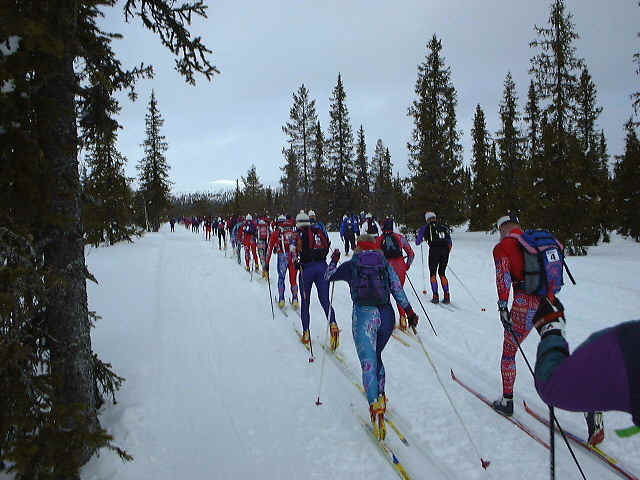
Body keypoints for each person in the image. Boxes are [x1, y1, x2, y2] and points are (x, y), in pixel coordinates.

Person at [325, 234, 419, 440]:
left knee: (368, 362)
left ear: (358, 247)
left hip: (364, 316)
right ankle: (382, 396)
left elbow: (328, 277)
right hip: (386, 316)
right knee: (377, 357)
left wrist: (333, 259)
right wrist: (410, 313)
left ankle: (375, 406)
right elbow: (397, 289)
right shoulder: (384, 264)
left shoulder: (352, 264)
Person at [534, 316, 639, 445]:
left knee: (552, 386)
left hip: (619, 348)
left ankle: (507, 399)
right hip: (620, 351)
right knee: (552, 385)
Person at [295, 211, 338, 349]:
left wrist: (296, 261)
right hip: (322, 267)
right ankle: (333, 324)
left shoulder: (301, 233)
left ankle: (306, 332)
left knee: (305, 301)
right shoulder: (319, 230)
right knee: (325, 300)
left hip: (306, 270)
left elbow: (295, 251)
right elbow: (327, 246)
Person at [376, 218, 415, 331]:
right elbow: (411, 254)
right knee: (399, 293)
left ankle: (387, 321)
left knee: (385, 295)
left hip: (386, 268)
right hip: (400, 267)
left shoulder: (379, 239)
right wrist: (407, 265)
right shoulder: (400, 238)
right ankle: (403, 318)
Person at [416, 211, 452, 304]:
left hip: (434, 251)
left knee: (433, 274)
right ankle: (447, 295)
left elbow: (418, 242)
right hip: (445, 251)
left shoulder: (425, 228)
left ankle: (435, 296)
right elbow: (449, 242)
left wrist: (420, 235)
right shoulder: (443, 227)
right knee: (442, 273)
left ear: (427, 219)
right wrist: (446, 252)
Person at [266, 215, 299, 308]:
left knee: (281, 278)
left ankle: (281, 299)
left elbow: (269, 248)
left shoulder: (276, 233)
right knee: (293, 279)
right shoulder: (294, 232)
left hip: (282, 257)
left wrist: (266, 263)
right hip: (293, 257)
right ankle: (295, 299)